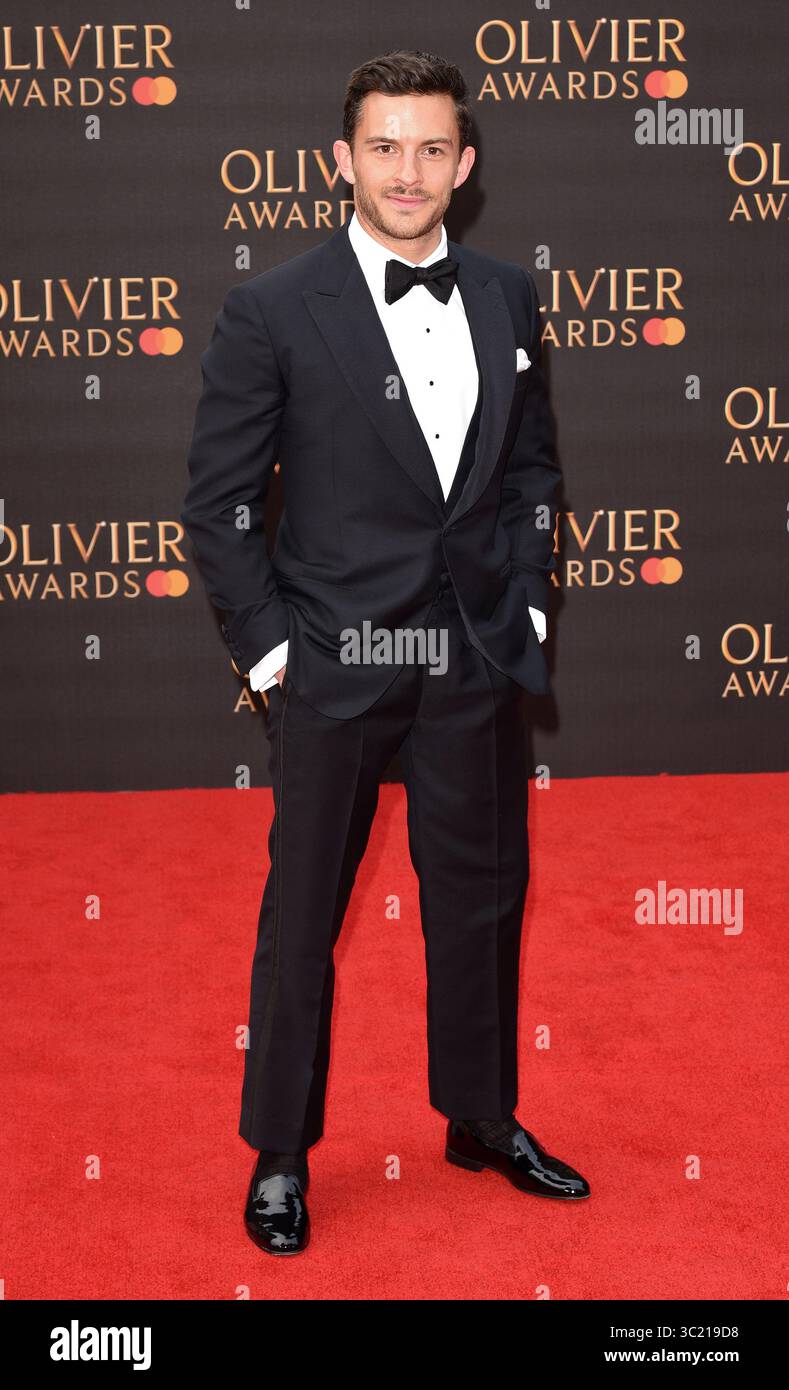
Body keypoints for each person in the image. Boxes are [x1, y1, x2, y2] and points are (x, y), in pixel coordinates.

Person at [182, 49, 589, 1257]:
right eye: (383, 147)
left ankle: (478, 1115)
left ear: (464, 167)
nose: (405, 172)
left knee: (483, 902)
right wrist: (274, 660)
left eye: (429, 149)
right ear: (341, 162)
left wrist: (522, 607)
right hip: (334, 660)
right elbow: (219, 506)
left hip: (472, 658)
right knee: (302, 916)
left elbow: (531, 473)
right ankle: (280, 1152)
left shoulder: (511, 296)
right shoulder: (271, 309)